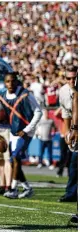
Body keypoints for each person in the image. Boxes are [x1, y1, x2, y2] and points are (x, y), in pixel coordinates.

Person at [0, 72, 42, 199]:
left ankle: (13, 189)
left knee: (14, 159)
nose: (10, 84)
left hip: (26, 131)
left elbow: (38, 112)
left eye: (13, 81)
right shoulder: (1, 96)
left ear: (17, 81)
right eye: (8, 81)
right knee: (14, 160)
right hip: (14, 131)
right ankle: (27, 188)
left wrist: (27, 129)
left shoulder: (26, 94)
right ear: (4, 83)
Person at [58, 65, 78, 203]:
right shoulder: (63, 92)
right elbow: (66, 113)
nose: (72, 81)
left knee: (75, 162)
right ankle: (71, 192)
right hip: (75, 128)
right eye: (69, 78)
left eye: (75, 78)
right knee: (73, 163)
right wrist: (66, 133)